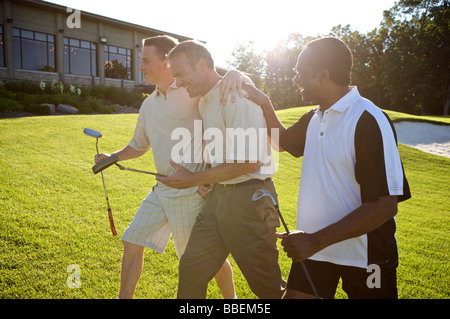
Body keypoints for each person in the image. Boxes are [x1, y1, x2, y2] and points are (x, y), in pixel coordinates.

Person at [243, 37, 411, 299]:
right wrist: (264, 103)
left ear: (323, 75)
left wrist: (315, 240)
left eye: (300, 73)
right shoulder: (314, 117)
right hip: (314, 251)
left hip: (366, 256)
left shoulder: (369, 119)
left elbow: (385, 206)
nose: (295, 79)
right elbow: (282, 142)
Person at [95, 35, 245, 299]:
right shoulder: (148, 104)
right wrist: (113, 157)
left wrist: (235, 72)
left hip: (190, 193)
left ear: (168, 62)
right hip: (161, 189)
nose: (140, 66)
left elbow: (220, 83)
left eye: (145, 60)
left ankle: (230, 301)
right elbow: (139, 145)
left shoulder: (192, 91)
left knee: (207, 258)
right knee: (132, 240)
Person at [156, 40, 284, 299]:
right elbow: (222, 149)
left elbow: (248, 162)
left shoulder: (235, 95)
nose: (178, 83)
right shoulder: (205, 101)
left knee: (267, 288)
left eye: (180, 75)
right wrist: (208, 178)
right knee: (192, 267)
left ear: (201, 65)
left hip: (249, 201)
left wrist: (193, 179)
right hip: (218, 200)